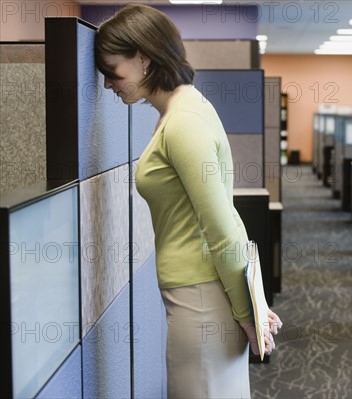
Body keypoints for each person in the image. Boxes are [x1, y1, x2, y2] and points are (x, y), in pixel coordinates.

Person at [94, 4, 282, 398]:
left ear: (143, 59)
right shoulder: (183, 110)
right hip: (198, 293)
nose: (109, 84)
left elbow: (221, 225)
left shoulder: (183, 124)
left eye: (113, 72)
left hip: (201, 298)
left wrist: (249, 314)